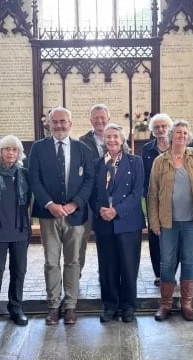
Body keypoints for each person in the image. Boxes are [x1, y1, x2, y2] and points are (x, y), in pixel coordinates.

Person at [28, 106, 94, 325]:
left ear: (70, 124)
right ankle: (53, 306)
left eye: (63, 121)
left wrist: (75, 203)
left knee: (73, 261)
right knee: (51, 261)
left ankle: (70, 306)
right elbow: (34, 179)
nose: (59, 125)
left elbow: (89, 180)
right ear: (49, 124)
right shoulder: (38, 148)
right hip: (49, 216)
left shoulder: (82, 148)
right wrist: (49, 204)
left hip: (76, 215)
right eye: (55, 122)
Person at [148, 120, 193, 322]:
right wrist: (154, 221)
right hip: (168, 222)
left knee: (188, 261)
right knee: (166, 263)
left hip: (192, 222)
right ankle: (165, 305)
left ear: (188, 136)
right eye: (178, 132)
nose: (181, 136)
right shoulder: (160, 161)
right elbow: (152, 194)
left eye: (185, 133)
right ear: (171, 136)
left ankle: (186, 304)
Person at [90, 123, 145, 323]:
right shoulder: (97, 164)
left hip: (128, 223)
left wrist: (116, 211)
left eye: (115, 136)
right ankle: (110, 305)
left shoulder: (135, 161)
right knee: (108, 267)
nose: (112, 140)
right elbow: (92, 194)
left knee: (129, 266)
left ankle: (128, 306)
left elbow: (137, 192)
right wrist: (100, 210)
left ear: (122, 140)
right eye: (108, 137)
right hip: (104, 223)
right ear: (103, 140)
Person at [0, 135, 31, 328]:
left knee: (19, 271)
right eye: (6, 149)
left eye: (14, 150)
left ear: (19, 153)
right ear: (0, 152)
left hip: (19, 230)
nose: (10, 153)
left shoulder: (24, 173)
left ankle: (16, 308)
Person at [78, 104, 111, 273]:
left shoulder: (115, 138)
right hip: (86, 200)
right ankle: (76, 277)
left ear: (108, 119)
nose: (99, 121)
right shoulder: (82, 142)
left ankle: (105, 274)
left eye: (102, 117)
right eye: (96, 118)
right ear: (91, 121)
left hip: (108, 201)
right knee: (80, 240)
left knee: (106, 240)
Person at [142, 113, 173, 287]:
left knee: (172, 235)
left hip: (174, 199)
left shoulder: (177, 146)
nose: (160, 130)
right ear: (152, 131)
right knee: (155, 235)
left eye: (163, 126)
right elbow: (143, 173)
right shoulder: (147, 149)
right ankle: (159, 273)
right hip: (153, 198)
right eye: (156, 127)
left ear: (169, 128)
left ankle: (170, 272)